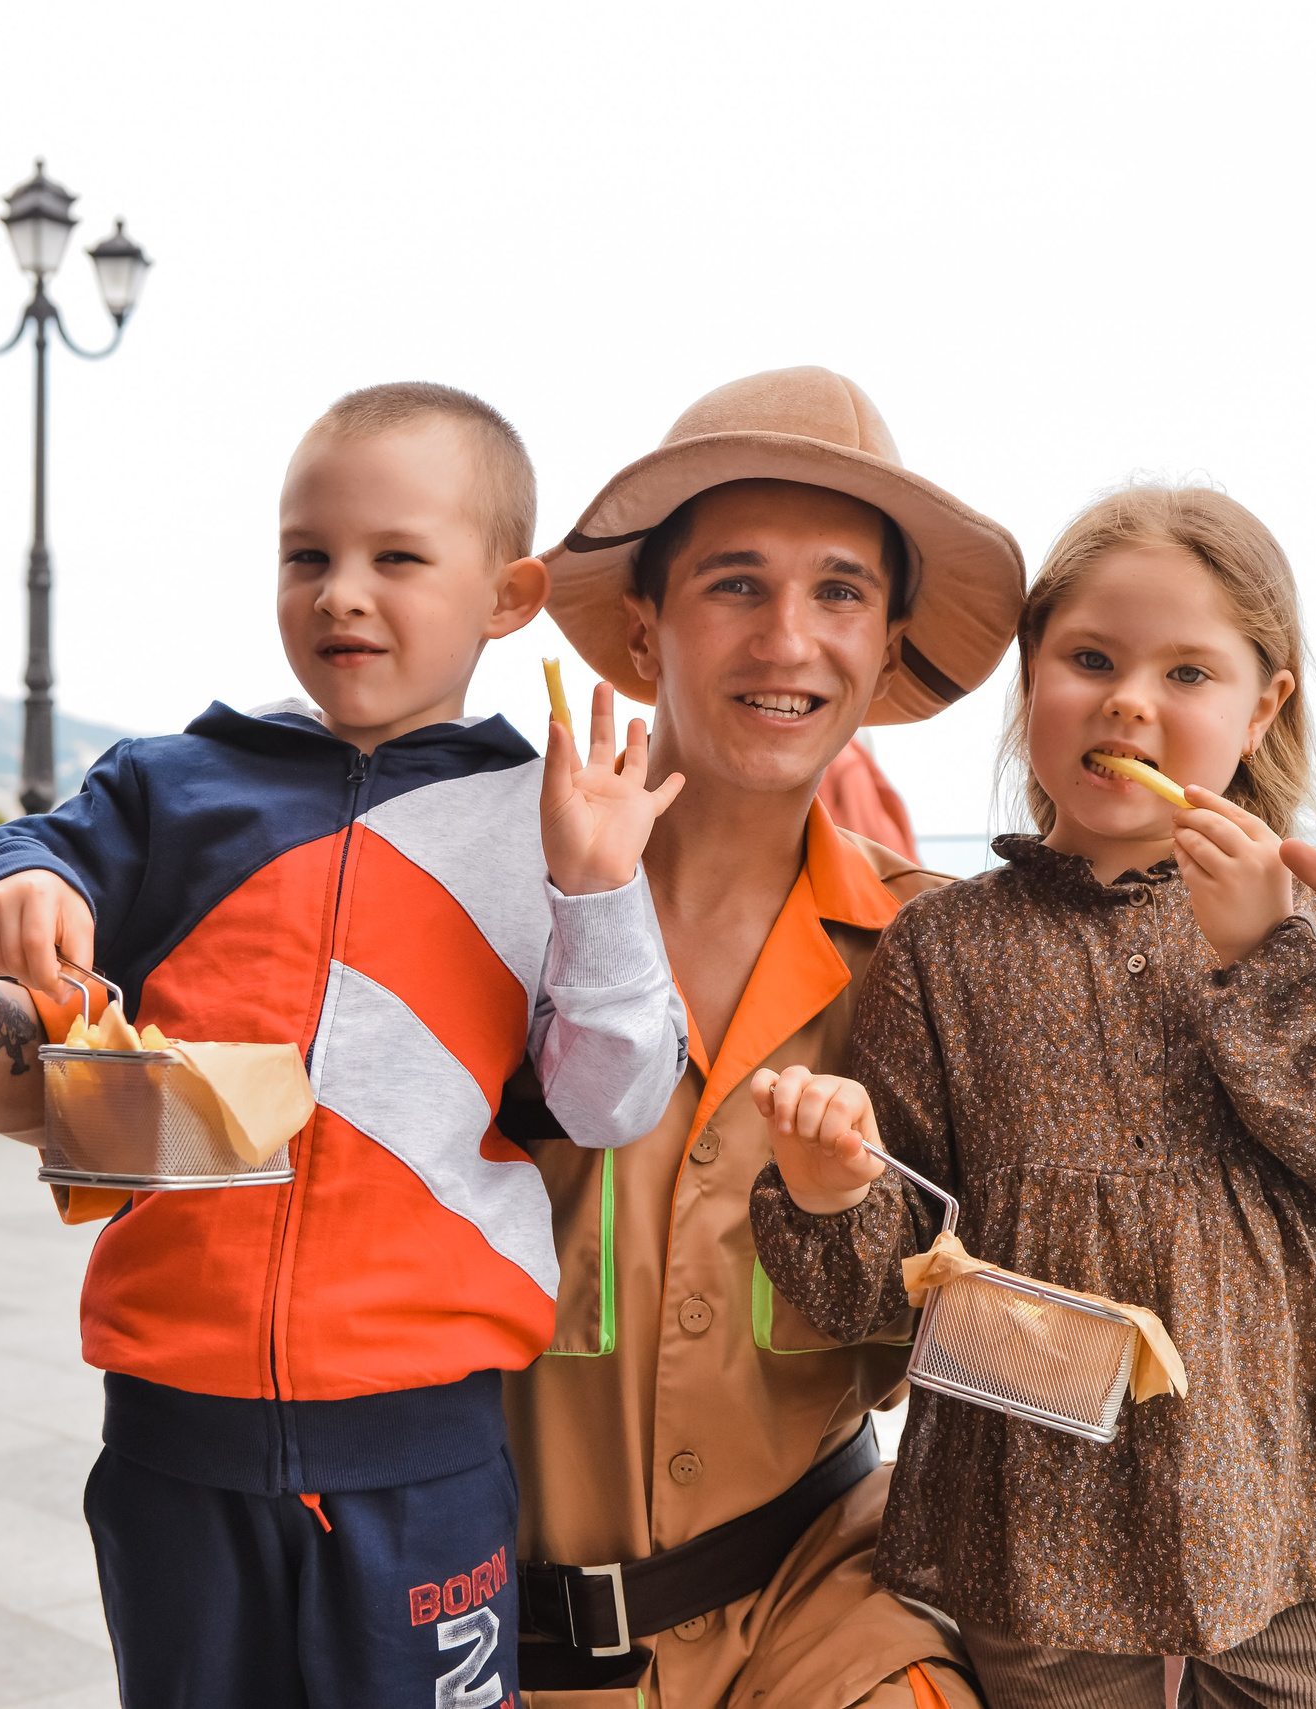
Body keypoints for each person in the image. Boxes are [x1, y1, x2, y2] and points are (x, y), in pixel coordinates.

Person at [0, 380, 689, 1709]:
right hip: (169, 1426)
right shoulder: (168, 783)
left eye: (397, 557)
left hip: (424, 1442)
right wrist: (23, 885)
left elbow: (612, 1101)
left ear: (509, 596)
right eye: (307, 555)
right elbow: (31, 851)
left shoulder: (551, 818)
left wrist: (599, 892)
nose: (340, 593)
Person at [746, 485, 1316, 1709]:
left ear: (1261, 706)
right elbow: (893, 1277)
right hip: (1034, 1496)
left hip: (1303, 1481)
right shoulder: (943, 948)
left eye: (1187, 671)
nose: (1129, 699)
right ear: (1032, 675)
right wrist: (827, 1194)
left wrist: (1269, 959)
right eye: (1089, 658)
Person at [508, 367, 1029, 1707]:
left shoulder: (945, 951)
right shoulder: (493, 901)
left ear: (887, 643)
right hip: (495, 1639)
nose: (787, 639)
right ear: (644, 626)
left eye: (839, 591)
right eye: (735, 582)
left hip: (825, 1611)